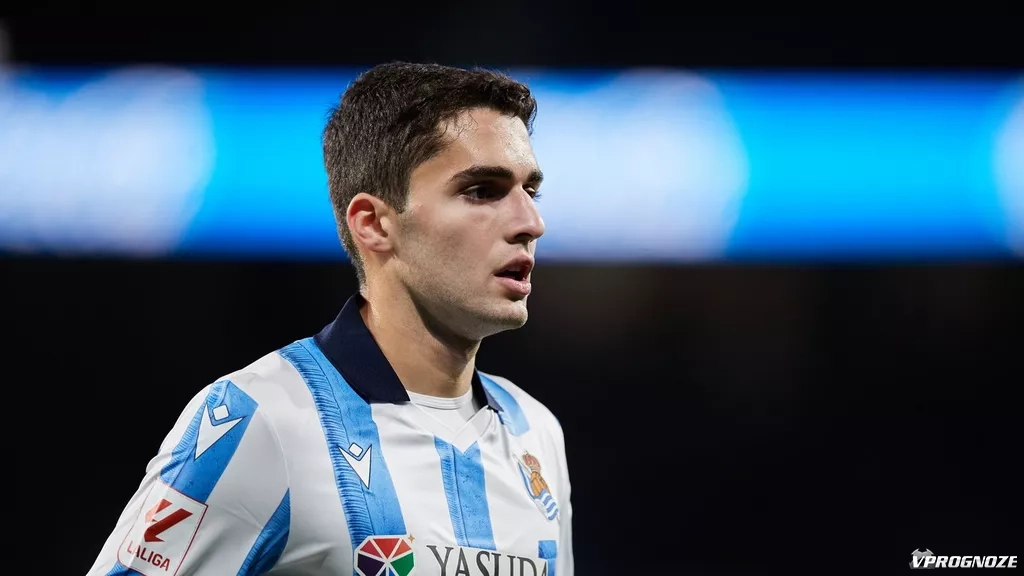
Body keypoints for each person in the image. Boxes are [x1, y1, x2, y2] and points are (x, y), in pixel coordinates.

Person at [86, 62, 573, 576]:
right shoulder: (263, 419)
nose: (531, 222)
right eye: (482, 191)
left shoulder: (536, 433)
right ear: (374, 224)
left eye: (530, 191)